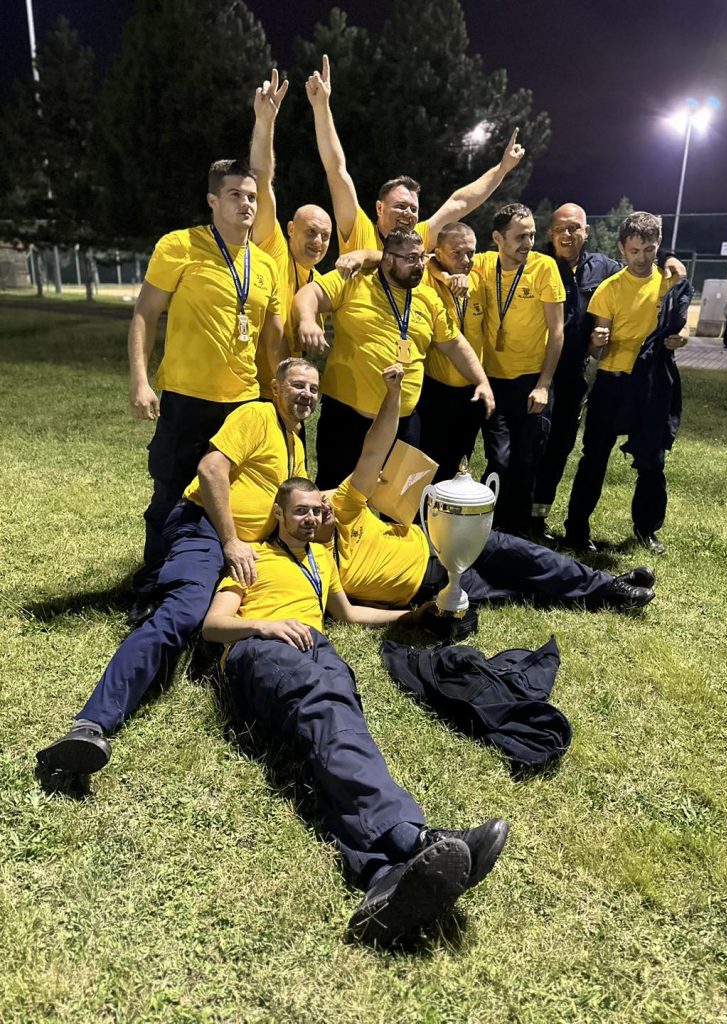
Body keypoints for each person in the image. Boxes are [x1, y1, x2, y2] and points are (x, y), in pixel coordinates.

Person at [203, 476, 509, 944]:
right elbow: (213, 625)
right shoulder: (253, 558)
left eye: (316, 510)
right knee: (326, 708)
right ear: (279, 514)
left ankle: (382, 876)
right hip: (260, 649)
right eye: (300, 510)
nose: (310, 518)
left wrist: (412, 615)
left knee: (336, 726)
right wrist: (265, 627)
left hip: (316, 647)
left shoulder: (321, 558)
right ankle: (413, 838)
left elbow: (348, 613)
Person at [36, 359, 318, 777]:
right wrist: (231, 541)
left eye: (313, 389)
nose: (306, 395)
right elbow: (210, 469)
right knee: (184, 612)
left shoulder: (295, 443)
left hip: (245, 548)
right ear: (275, 389)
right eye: (297, 385)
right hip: (205, 527)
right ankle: (91, 724)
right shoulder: (257, 415)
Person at [317, 365, 656, 613]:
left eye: (315, 506)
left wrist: (393, 395)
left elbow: (374, 449)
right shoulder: (315, 564)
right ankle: (607, 593)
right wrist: (408, 616)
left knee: (528, 556)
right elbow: (345, 613)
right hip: (433, 582)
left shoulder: (341, 506)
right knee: (522, 588)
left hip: (438, 538)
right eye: (303, 514)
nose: (316, 514)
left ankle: (610, 586)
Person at [128, 159, 286, 624]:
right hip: (186, 397)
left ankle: (214, 583)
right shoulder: (180, 245)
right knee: (171, 492)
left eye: (252, 196)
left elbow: (273, 339)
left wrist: (279, 395)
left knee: (231, 498)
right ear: (213, 200)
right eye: (235, 194)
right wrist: (140, 380)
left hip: (243, 403)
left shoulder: (266, 265)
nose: (246, 203)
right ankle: (153, 586)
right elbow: (145, 314)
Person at [530, 204, 689, 542]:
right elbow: (598, 349)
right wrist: (598, 341)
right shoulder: (603, 285)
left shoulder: (666, 282)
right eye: (634, 250)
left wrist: (682, 336)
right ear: (622, 249)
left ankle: (646, 529)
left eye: (649, 250)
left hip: (649, 382)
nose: (642, 257)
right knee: (588, 456)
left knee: (652, 458)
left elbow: (679, 322)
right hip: (602, 381)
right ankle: (572, 528)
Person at [293, 229, 494, 489]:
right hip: (348, 417)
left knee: (399, 501)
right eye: (411, 258)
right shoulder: (355, 281)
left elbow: (454, 344)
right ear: (387, 260)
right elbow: (308, 295)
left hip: (404, 422)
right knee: (335, 495)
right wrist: (307, 321)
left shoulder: (427, 298)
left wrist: (481, 381)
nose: (419, 265)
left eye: (421, 258)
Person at [305, 54, 526, 255]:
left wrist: (502, 169)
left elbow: (461, 202)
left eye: (413, 209)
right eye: (401, 206)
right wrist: (321, 106)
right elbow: (336, 170)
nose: (408, 213)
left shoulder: (418, 239)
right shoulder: (358, 230)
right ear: (379, 208)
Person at [474, 204, 565, 535]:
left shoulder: (544, 267)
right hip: (493, 382)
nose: (528, 243)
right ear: (498, 238)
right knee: (499, 460)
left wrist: (543, 384)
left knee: (527, 462)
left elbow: (557, 331)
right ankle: (486, 525)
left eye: (532, 235)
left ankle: (519, 531)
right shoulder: (481, 264)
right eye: (520, 237)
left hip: (531, 383)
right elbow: (439, 259)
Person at [249, 69, 333, 374]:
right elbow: (261, 183)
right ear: (290, 229)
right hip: (253, 386)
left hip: (288, 389)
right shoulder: (273, 249)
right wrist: (265, 122)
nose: (318, 242)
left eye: (325, 236)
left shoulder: (318, 282)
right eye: (310, 232)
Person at [418, 222, 487, 480]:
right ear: (439, 253)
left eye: (470, 252)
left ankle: (450, 506)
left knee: (459, 463)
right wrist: (445, 277)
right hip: (435, 390)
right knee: (427, 462)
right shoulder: (426, 278)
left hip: (472, 391)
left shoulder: (479, 280)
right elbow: (425, 260)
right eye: (457, 253)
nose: (466, 260)